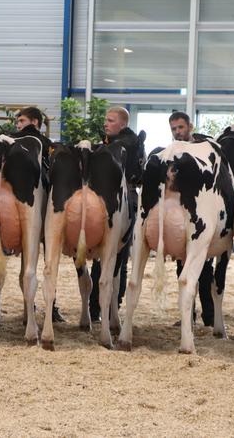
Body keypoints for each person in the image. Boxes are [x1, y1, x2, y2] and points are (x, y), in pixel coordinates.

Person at [8, 107, 64, 322]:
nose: (18, 125)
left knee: (30, 262)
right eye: (17, 121)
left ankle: (32, 306)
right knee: (48, 260)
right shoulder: (48, 145)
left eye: (21, 120)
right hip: (44, 209)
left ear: (34, 121)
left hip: (27, 205)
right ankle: (46, 305)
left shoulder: (15, 143)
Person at [89, 106, 142, 323]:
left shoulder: (131, 142)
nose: (106, 123)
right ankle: (98, 308)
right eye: (106, 120)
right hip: (102, 199)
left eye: (110, 120)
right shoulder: (109, 142)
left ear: (123, 124)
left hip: (125, 199)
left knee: (118, 256)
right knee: (104, 257)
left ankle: (110, 307)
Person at [167, 112, 215, 327]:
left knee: (205, 270)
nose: (178, 132)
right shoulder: (172, 154)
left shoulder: (205, 149)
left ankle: (210, 315)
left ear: (190, 126)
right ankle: (188, 315)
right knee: (182, 268)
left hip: (205, 219)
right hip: (182, 217)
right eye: (174, 129)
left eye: (180, 127)